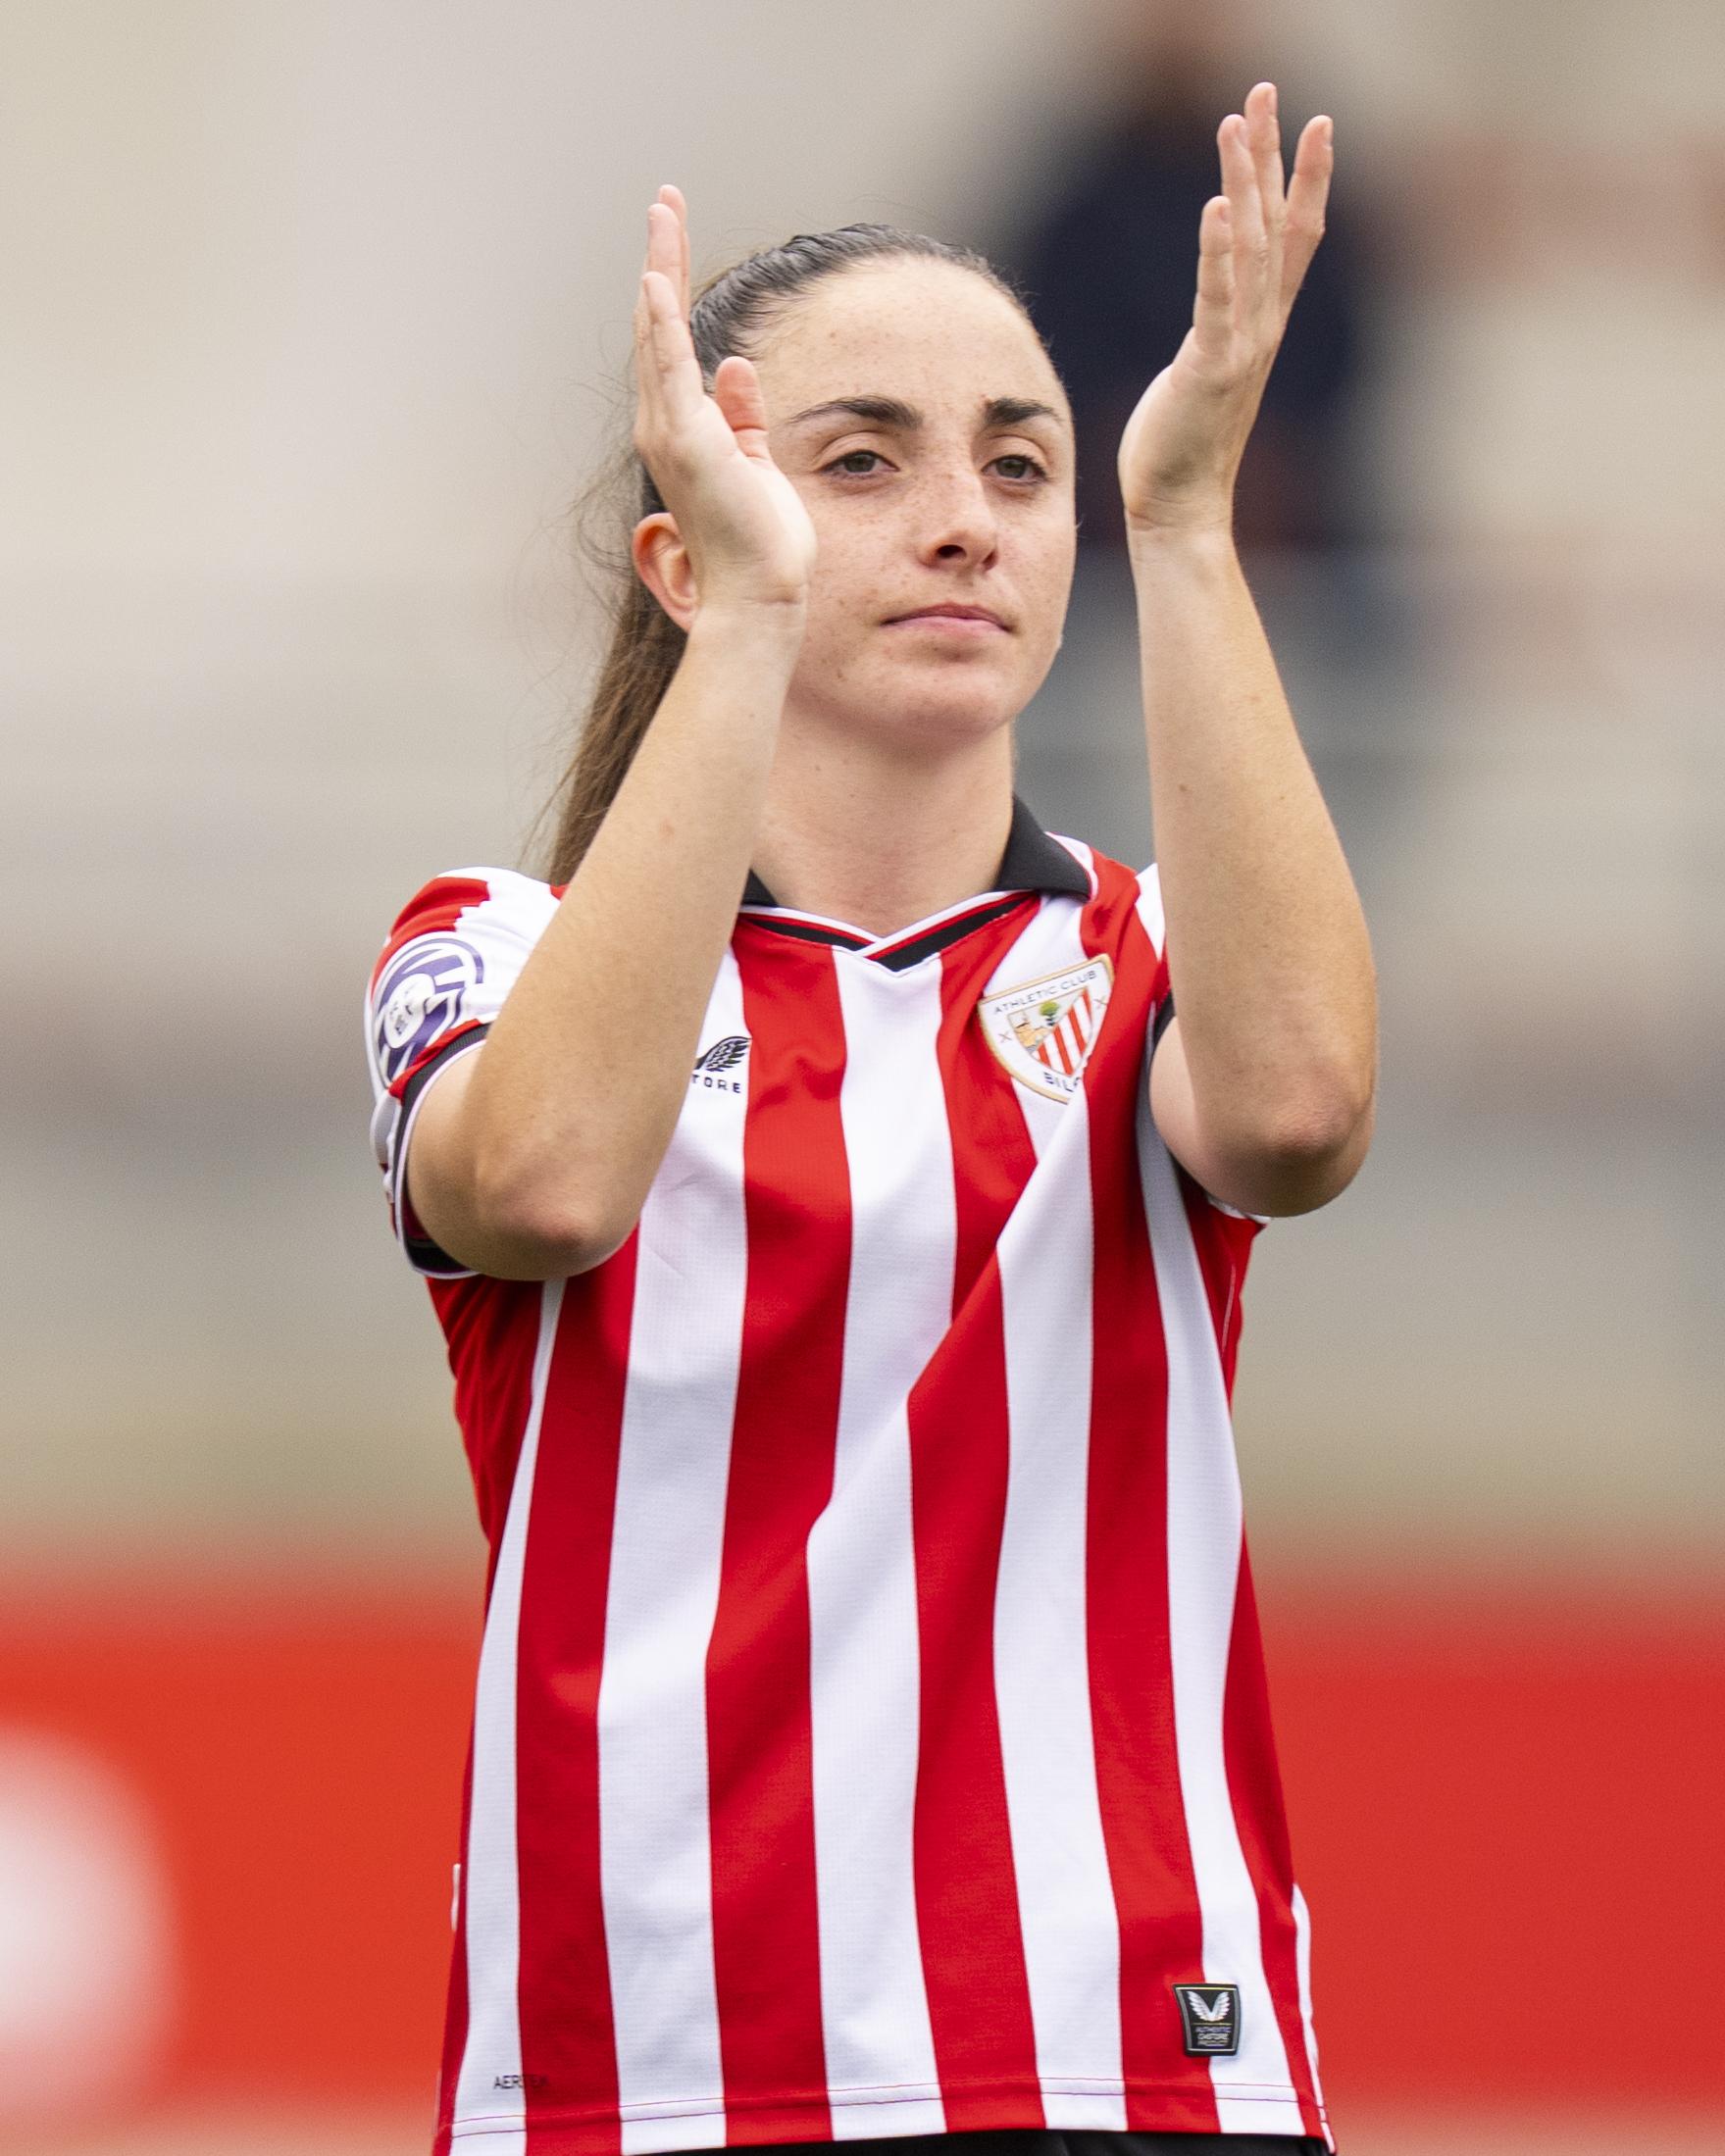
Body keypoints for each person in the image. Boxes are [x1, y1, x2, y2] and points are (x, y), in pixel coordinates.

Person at [365, 80, 1375, 2156]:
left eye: (1020, 463)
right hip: (649, 2071)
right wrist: (749, 619)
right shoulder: (489, 948)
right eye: (861, 460)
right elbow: (544, 1183)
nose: (964, 518)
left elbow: (1297, 1114)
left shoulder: (1148, 954)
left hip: (1121, 2052)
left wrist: (1186, 522)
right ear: (685, 546)